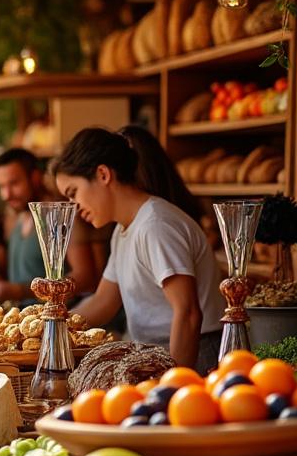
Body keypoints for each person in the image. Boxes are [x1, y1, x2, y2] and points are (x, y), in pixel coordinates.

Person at [54, 127, 223, 371]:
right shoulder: (124, 229)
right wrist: (52, 326)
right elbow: (104, 301)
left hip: (194, 353)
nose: (74, 206)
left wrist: (173, 384)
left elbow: (187, 314)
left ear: (103, 174)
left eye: (73, 193)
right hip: (153, 354)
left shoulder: (155, 225)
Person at [0, 148, 100, 306]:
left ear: (35, 177)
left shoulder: (61, 216)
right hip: (22, 318)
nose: (6, 195)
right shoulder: (14, 218)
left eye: (14, 183)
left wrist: (19, 291)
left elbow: (86, 278)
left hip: (60, 316)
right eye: (2, 186)